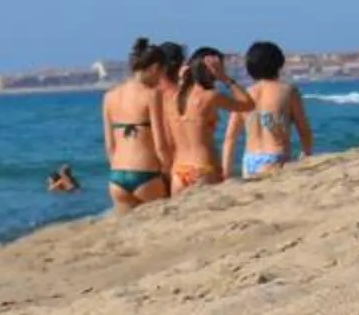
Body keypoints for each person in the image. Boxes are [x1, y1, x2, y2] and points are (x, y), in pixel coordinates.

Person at [169, 45, 253, 193]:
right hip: (202, 168)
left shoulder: (173, 99)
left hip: (178, 170)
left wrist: (183, 78)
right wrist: (225, 78)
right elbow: (248, 104)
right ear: (212, 70)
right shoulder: (209, 96)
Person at [101, 39, 172, 211]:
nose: (162, 78)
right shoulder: (151, 95)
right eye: (163, 72)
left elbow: (110, 145)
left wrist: (117, 170)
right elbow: (160, 144)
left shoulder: (109, 97)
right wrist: (167, 172)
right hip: (145, 173)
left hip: (117, 176)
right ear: (155, 68)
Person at [237, 41, 314, 179]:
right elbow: (303, 128)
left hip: (249, 159)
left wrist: (225, 170)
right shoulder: (288, 91)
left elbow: (230, 137)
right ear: (279, 64)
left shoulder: (244, 94)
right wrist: (306, 152)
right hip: (275, 156)